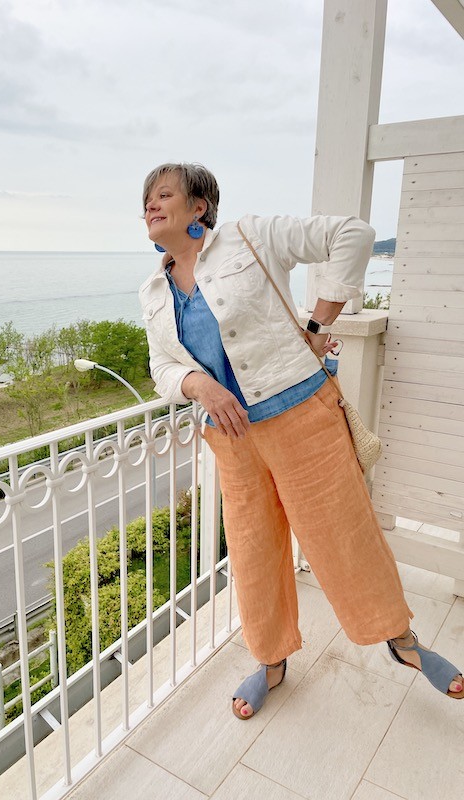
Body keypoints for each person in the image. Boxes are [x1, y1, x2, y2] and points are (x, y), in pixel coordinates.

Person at [138, 161, 464, 719]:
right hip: (233, 438)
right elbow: (162, 366)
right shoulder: (153, 291)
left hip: (299, 414)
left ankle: (400, 640)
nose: (150, 204)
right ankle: (271, 661)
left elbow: (352, 234)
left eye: (163, 194)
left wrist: (316, 327)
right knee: (253, 552)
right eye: (146, 198)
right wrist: (198, 385)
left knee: (344, 533)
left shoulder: (249, 236)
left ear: (199, 208)